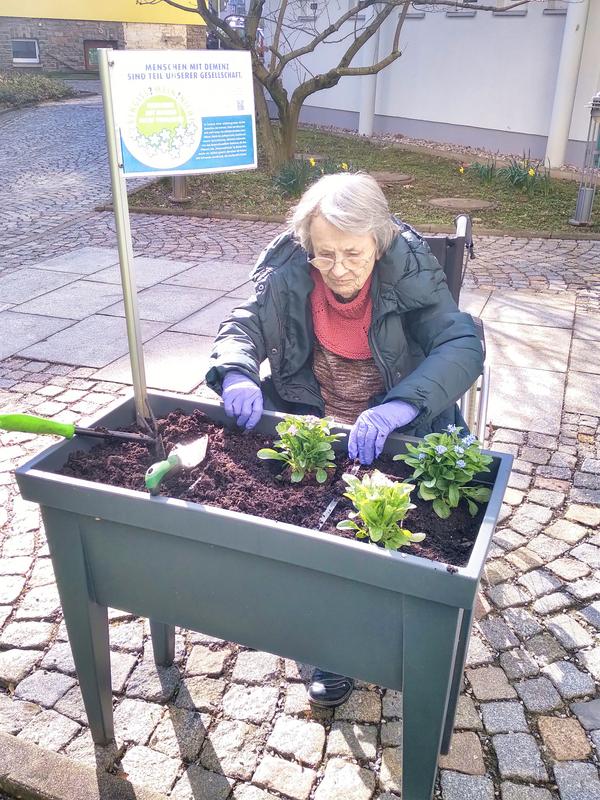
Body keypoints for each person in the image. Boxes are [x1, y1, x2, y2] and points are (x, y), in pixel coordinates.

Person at [205, 171, 483, 706]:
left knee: (389, 534)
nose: (338, 269)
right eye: (325, 254)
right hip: (314, 424)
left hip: (398, 433)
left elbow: (461, 344)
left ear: (378, 242)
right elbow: (243, 325)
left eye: (353, 254)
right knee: (300, 524)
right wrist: (236, 371)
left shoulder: (409, 273)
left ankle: (363, 636)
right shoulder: (289, 271)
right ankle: (325, 635)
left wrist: (402, 405)